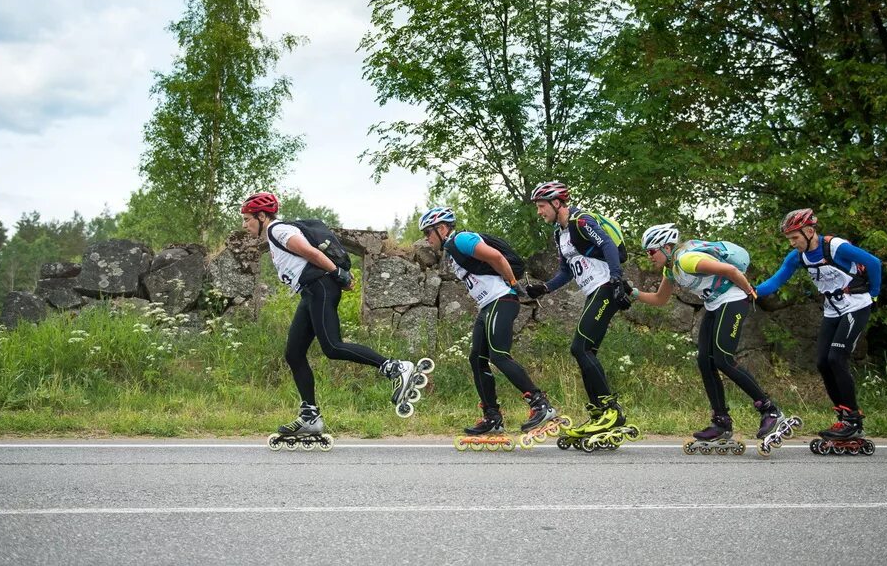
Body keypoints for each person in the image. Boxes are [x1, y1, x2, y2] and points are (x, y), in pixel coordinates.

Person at [242, 192, 432, 449]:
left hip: (319, 287)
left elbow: (310, 252)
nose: (244, 224)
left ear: (262, 216)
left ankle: (396, 367)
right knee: (294, 353)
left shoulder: (278, 230)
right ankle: (310, 416)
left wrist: (338, 274)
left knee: (332, 346)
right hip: (310, 292)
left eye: (247, 219)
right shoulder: (275, 234)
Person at [629, 223, 795, 455]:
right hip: (715, 303)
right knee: (704, 361)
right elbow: (660, 299)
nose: (649, 257)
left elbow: (731, 271)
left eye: (651, 251)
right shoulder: (671, 269)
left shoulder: (687, 260)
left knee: (723, 359)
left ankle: (771, 410)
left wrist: (749, 293)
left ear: (666, 247)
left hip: (734, 298)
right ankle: (721, 421)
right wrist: (633, 293)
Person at [418, 206, 562, 448]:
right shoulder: (451, 251)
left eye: (428, 233)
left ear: (442, 229)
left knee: (499, 355)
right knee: (477, 358)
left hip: (501, 300)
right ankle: (492, 417)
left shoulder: (461, 239)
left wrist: (514, 284)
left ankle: (540, 404)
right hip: (488, 305)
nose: (426, 238)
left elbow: (496, 257)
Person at [752, 209, 881, 454]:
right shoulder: (797, 257)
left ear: (809, 231)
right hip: (833, 310)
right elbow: (775, 281)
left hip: (856, 306)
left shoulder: (835, 247)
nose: (792, 243)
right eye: (789, 239)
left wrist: (873, 294)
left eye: (795, 238)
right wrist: (750, 291)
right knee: (823, 362)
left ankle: (853, 421)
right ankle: (844, 418)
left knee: (836, 358)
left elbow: (874, 263)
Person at [523, 181, 637, 448]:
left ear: (557, 203)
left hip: (605, 286)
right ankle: (599, 412)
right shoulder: (560, 234)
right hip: (592, 290)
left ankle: (610, 410)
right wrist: (544, 288)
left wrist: (617, 279)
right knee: (586, 351)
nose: (539, 212)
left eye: (541, 206)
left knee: (580, 347)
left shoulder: (580, 220)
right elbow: (566, 271)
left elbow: (608, 245)